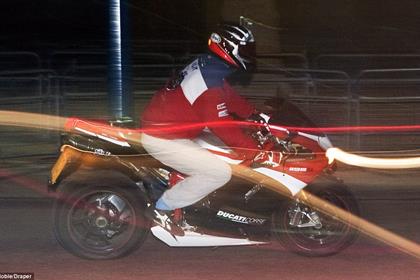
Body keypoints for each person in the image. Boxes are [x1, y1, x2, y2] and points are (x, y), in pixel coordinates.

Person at [141, 24, 281, 235]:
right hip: (164, 138)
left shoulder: (210, 66)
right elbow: (221, 125)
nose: (248, 55)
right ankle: (163, 209)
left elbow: (227, 95)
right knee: (219, 172)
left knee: (223, 153)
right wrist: (253, 150)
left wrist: (254, 114)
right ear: (227, 47)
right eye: (244, 50)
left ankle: (190, 206)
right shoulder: (209, 79)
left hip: (170, 130)